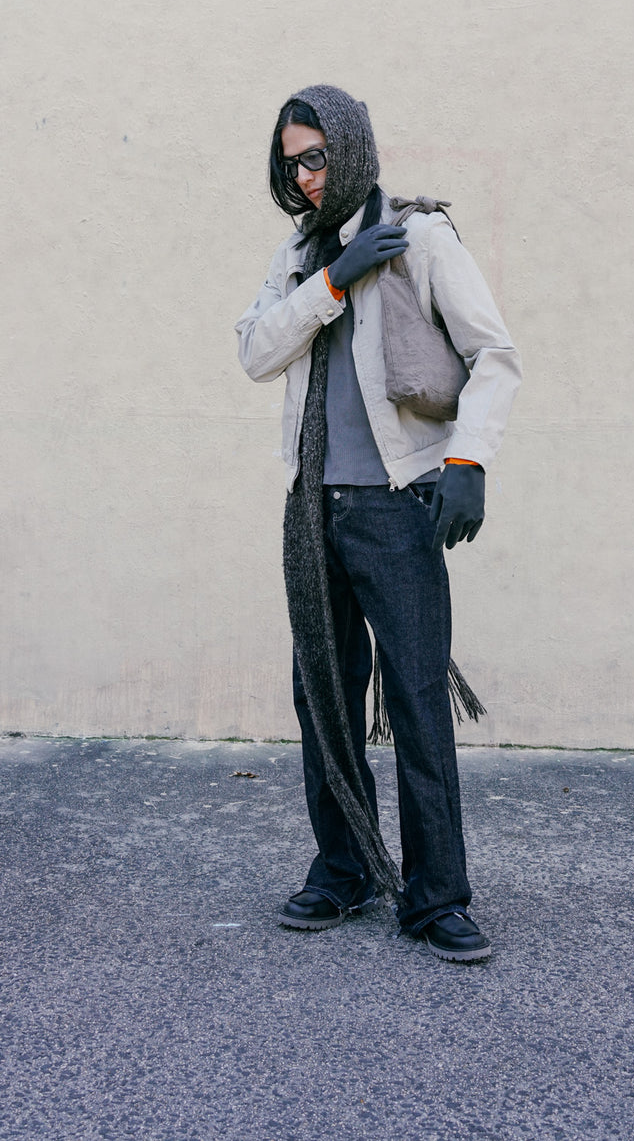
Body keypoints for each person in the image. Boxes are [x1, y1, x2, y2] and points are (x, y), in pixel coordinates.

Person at [235, 84, 521, 962]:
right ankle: (345, 869)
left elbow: (493, 354)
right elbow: (255, 352)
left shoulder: (419, 237)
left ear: (353, 146)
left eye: (317, 156)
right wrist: (331, 281)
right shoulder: (299, 254)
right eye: (292, 163)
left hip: (397, 507)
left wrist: (468, 462)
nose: (306, 177)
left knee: (416, 697)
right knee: (322, 695)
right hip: (311, 508)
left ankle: (437, 898)